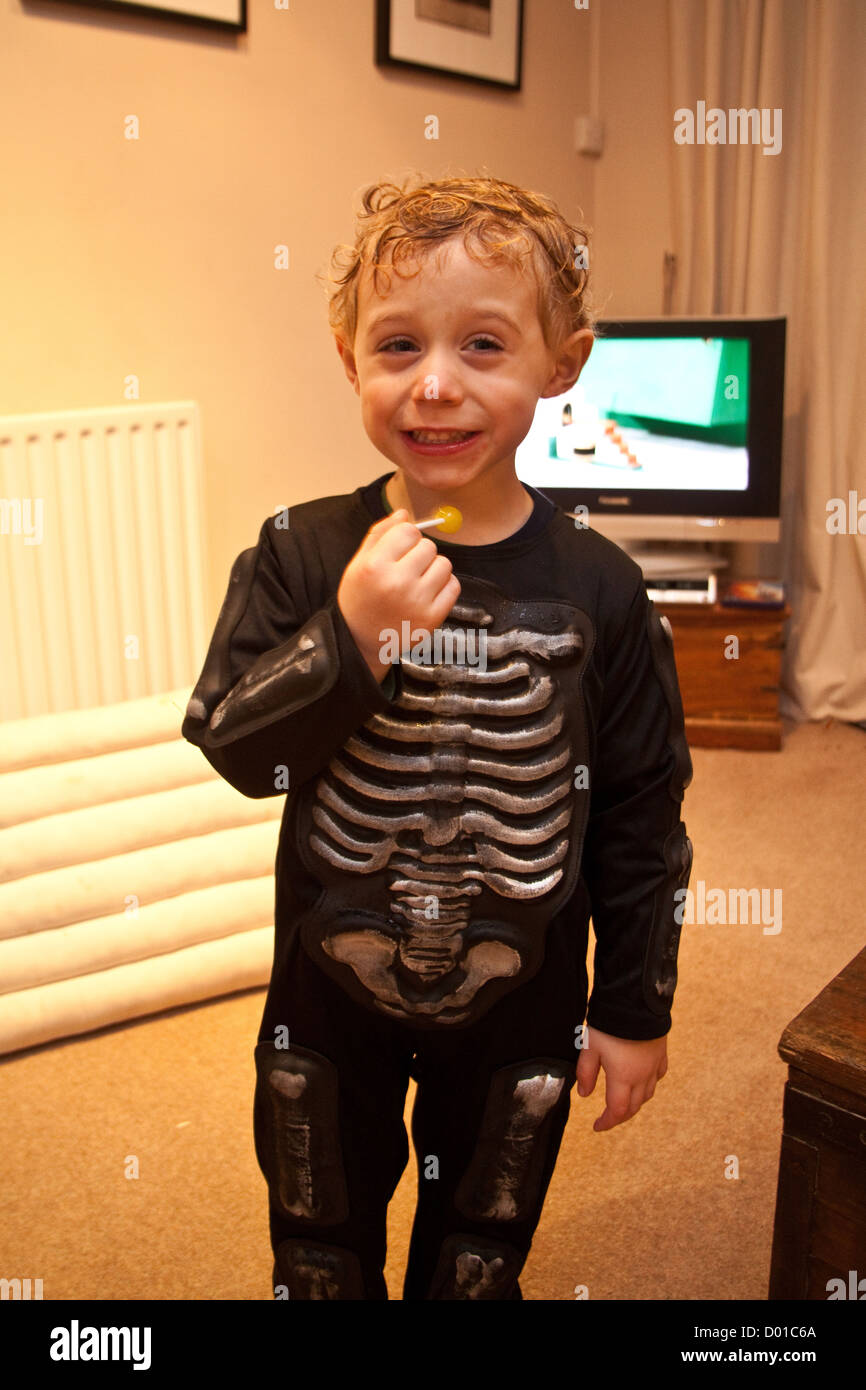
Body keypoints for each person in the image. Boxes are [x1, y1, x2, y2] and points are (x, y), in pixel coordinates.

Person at [181, 174, 694, 1301]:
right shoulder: (301, 552)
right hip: (326, 996)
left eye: (483, 345)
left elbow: (641, 809)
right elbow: (235, 750)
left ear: (563, 363)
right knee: (318, 1253)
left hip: (523, 1000)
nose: (435, 385)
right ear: (344, 353)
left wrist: (631, 1007)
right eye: (397, 344)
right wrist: (347, 636)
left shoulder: (602, 590)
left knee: (476, 1256)